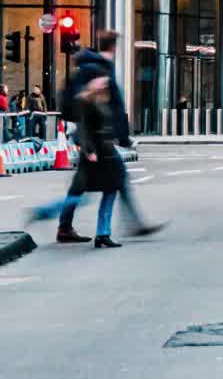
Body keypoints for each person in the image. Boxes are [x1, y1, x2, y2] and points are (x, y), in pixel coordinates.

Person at [55, 31, 164, 241]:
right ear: (114, 47)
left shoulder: (91, 67)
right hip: (96, 140)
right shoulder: (96, 69)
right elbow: (106, 105)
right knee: (107, 183)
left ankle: (68, 227)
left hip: (97, 139)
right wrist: (119, 137)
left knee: (94, 184)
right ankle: (69, 225)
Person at [26, 77, 125, 248]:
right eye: (99, 81)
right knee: (86, 195)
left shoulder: (102, 101)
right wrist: (88, 150)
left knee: (107, 192)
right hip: (96, 156)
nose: (104, 82)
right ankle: (45, 212)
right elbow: (82, 130)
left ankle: (102, 233)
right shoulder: (86, 102)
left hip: (106, 154)